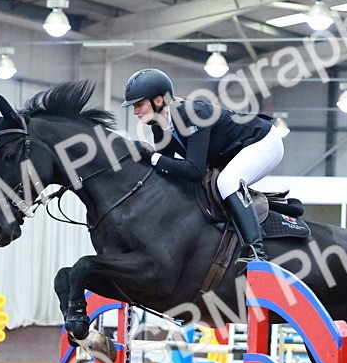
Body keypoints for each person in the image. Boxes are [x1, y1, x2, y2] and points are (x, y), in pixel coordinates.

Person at [121, 68, 284, 261]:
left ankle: (256, 252)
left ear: (157, 101)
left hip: (263, 142)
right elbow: (166, 171)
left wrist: (153, 158)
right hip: (234, 152)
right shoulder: (159, 128)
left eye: (139, 104)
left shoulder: (193, 113)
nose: (135, 111)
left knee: (228, 182)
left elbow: (195, 170)